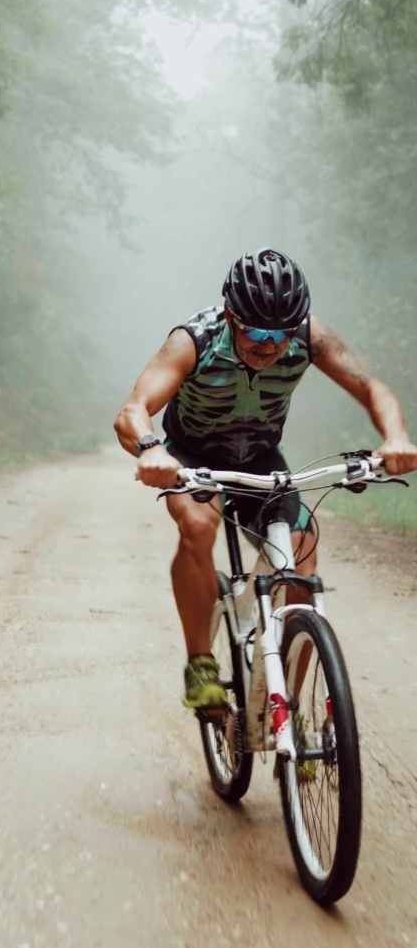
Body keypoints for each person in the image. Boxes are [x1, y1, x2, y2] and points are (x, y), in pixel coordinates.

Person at [114, 247, 417, 710]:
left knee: (301, 564)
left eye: (280, 334)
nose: (269, 345)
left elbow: (371, 386)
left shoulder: (311, 337)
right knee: (198, 526)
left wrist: (395, 437)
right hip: (190, 455)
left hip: (259, 456)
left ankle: (289, 707)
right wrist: (150, 448)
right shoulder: (193, 340)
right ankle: (201, 666)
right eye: (255, 331)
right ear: (231, 315)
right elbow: (133, 410)